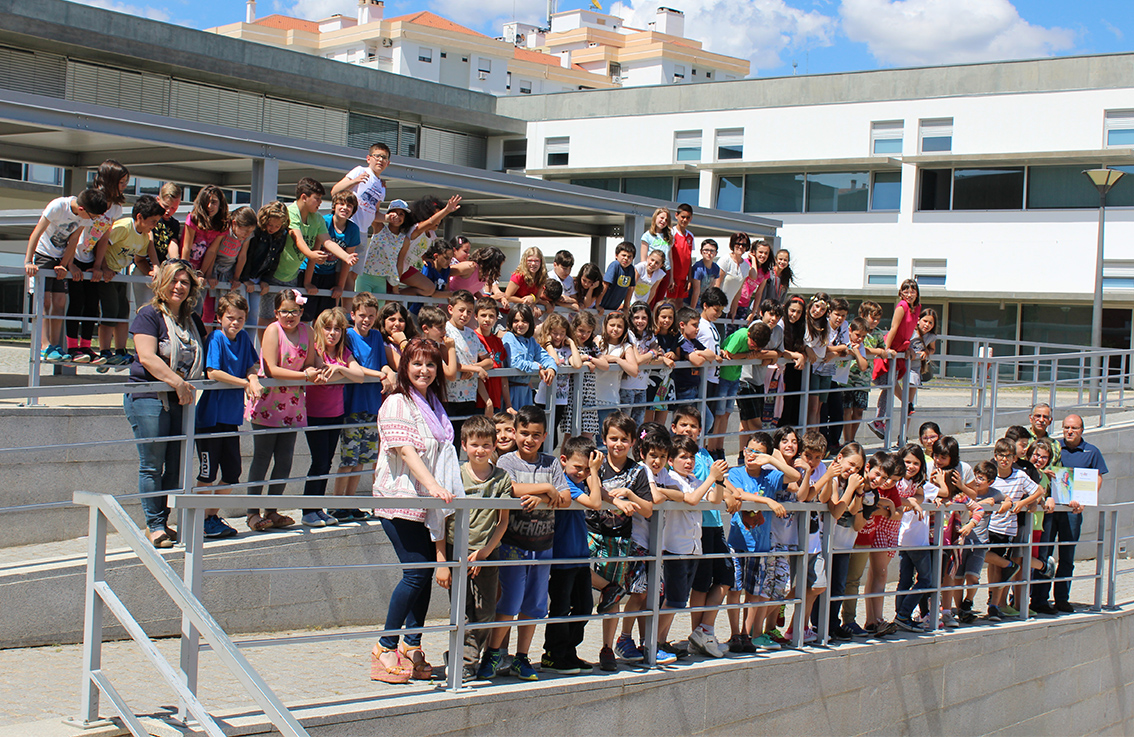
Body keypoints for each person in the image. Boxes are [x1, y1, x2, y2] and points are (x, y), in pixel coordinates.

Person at [371, 337, 463, 684]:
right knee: (417, 573)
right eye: (416, 363)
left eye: (430, 364)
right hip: (401, 499)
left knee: (422, 576)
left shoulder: (434, 403)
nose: (424, 370)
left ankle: (412, 645)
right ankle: (385, 646)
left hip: (425, 502)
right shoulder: (397, 402)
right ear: (404, 366)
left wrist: (441, 489)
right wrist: (436, 487)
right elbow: (406, 451)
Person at [478, 405, 570, 682]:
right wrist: (545, 489)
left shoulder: (551, 463)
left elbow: (564, 498)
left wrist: (545, 497)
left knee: (534, 605)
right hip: (513, 545)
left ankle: (522, 657)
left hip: (543, 545)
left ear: (544, 437)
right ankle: (493, 653)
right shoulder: (507, 462)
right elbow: (511, 489)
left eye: (536, 435)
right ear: (515, 432)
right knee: (510, 601)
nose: (529, 439)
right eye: (524, 433)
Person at [123, 260, 206, 548]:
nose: (179, 287)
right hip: (150, 399)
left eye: (185, 282)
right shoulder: (149, 315)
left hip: (181, 401)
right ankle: (154, 524)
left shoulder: (192, 320)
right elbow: (146, 356)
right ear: (162, 283)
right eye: (174, 280)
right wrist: (178, 382)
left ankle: (164, 520)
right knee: (152, 464)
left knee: (174, 466)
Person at [437, 415, 512, 681]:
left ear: (494, 446)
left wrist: (485, 552)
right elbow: (441, 518)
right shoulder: (455, 474)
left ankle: (461, 657)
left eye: (486, 445)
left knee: (486, 610)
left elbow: (502, 522)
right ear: (464, 445)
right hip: (457, 551)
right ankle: (464, 661)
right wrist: (443, 560)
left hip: (487, 552)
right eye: (475, 444)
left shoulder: (502, 478)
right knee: (462, 610)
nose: (480, 450)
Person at [244, 290, 320, 532]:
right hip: (268, 402)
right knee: (263, 456)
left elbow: (312, 361)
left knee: (285, 459)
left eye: (295, 311)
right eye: (285, 311)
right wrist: (305, 375)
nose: (290, 316)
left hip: (293, 403)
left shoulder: (307, 331)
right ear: (276, 313)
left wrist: (320, 370)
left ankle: (272, 509)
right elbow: (273, 369)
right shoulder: (272, 331)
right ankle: (252, 512)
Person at [194, 291, 260, 539]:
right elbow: (213, 372)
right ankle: (199, 520)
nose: (235, 323)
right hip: (210, 419)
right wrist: (244, 383)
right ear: (220, 317)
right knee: (207, 473)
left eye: (240, 318)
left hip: (231, 419)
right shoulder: (215, 339)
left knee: (232, 472)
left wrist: (252, 377)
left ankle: (211, 516)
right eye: (230, 318)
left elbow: (251, 365)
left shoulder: (243, 338)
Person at [541, 435, 604, 674]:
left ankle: (569, 650)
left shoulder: (584, 481)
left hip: (579, 556)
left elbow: (603, 496)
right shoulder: (565, 482)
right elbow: (595, 503)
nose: (582, 472)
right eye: (579, 467)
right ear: (563, 460)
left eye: (587, 469)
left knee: (584, 606)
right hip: (562, 558)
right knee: (560, 607)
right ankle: (553, 654)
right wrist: (595, 473)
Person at [24, 187, 109, 362]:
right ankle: (44, 345)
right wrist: (28, 261)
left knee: (60, 301)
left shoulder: (85, 219)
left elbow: (73, 242)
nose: (93, 220)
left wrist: (64, 264)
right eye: (93, 217)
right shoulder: (57, 206)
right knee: (44, 300)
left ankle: (55, 345)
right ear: (82, 209)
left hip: (60, 257)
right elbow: (36, 234)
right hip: (43, 254)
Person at [332, 291, 396, 521]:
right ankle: (337, 503)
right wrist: (381, 373)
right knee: (348, 459)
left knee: (363, 460)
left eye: (370, 315)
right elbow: (356, 368)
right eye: (362, 315)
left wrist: (388, 372)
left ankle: (351, 503)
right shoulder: (348, 335)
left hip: (372, 406)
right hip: (353, 405)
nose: (366, 319)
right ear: (353, 315)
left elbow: (383, 363)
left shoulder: (377, 337)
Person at [1033, 414, 1105, 614]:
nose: (1069, 431)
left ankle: (1062, 599)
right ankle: (1038, 599)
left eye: (1074, 428)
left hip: (1072, 512)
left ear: (1082, 430)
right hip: (1050, 509)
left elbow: (1097, 478)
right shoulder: (1054, 447)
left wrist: (1085, 500)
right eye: (1066, 428)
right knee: (1044, 554)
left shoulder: (1092, 451)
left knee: (1067, 556)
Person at [302, 308, 365, 527]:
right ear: (319, 329)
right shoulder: (316, 350)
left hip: (336, 413)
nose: (332, 333)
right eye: (328, 328)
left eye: (337, 329)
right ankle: (308, 509)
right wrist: (339, 370)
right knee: (318, 462)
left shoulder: (343, 353)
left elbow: (359, 375)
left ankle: (317, 508)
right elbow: (314, 371)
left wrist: (338, 368)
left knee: (326, 462)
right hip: (315, 414)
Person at [91, 196, 165, 365]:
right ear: (139, 217)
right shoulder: (123, 227)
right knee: (110, 310)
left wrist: (151, 272)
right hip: (106, 274)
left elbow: (139, 259)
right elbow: (101, 243)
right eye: (152, 222)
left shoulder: (144, 236)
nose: (154, 226)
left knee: (123, 311)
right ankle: (104, 351)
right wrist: (103, 267)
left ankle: (121, 350)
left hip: (119, 274)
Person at [302, 191, 360, 322]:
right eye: (341, 203)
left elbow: (347, 261)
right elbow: (314, 253)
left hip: (329, 273)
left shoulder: (353, 229)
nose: (345, 208)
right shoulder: (324, 222)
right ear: (334, 206)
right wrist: (308, 282)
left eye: (349, 205)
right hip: (311, 271)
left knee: (326, 317)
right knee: (306, 315)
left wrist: (340, 286)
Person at [445, 290, 491, 443]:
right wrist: (475, 369)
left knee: (463, 440)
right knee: (449, 441)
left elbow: (489, 361)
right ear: (451, 309)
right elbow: (449, 363)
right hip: (448, 396)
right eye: (461, 310)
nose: (465, 315)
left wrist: (473, 368)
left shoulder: (471, 334)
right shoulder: (444, 331)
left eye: (469, 312)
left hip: (469, 395)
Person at [501, 304, 556, 411]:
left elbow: (545, 357)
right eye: (516, 321)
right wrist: (537, 367)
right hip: (511, 390)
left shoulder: (530, 340)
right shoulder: (509, 337)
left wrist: (551, 368)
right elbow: (514, 362)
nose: (520, 324)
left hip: (525, 391)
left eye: (524, 321)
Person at [594, 311, 639, 430]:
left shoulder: (626, 347)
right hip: (590, 397)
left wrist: (616, 360)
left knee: (603, 438)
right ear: (606, 325)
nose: (615, 329)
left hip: (610, 399)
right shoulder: (598, 340)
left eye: (619, 326)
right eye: (612, 325)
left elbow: (634, 371)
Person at [660, 203, 694, 305]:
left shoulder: (690, 236)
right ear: (676, 216)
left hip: (683, 279)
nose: (684, 220)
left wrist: (689, 279)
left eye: (687, 218)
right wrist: (670, 277)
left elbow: (689, 258)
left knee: (679, 305)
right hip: (672, 277)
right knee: (669, 304)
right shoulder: (671, 233)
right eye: (682, 217)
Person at [598, 242, 637, 313]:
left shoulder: (631, 269)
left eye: (629, 256)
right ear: (616, 255)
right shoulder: (615, 265)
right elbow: (605, 285)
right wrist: (598, 304)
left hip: (613, 308)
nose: (626, 258)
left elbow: (630, 288)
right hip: (602, 305)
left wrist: (626, 306)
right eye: (623, 255)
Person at [689, 239, 720, 308]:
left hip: (705, 302)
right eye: (706, 250)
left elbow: (714, 287)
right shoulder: (698, 268)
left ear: (716, 253)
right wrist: (692, 309)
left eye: (712, 251)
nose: (709, 253)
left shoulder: (716, 268)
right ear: (701, 251)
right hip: (693, 302)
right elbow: (696, 291)